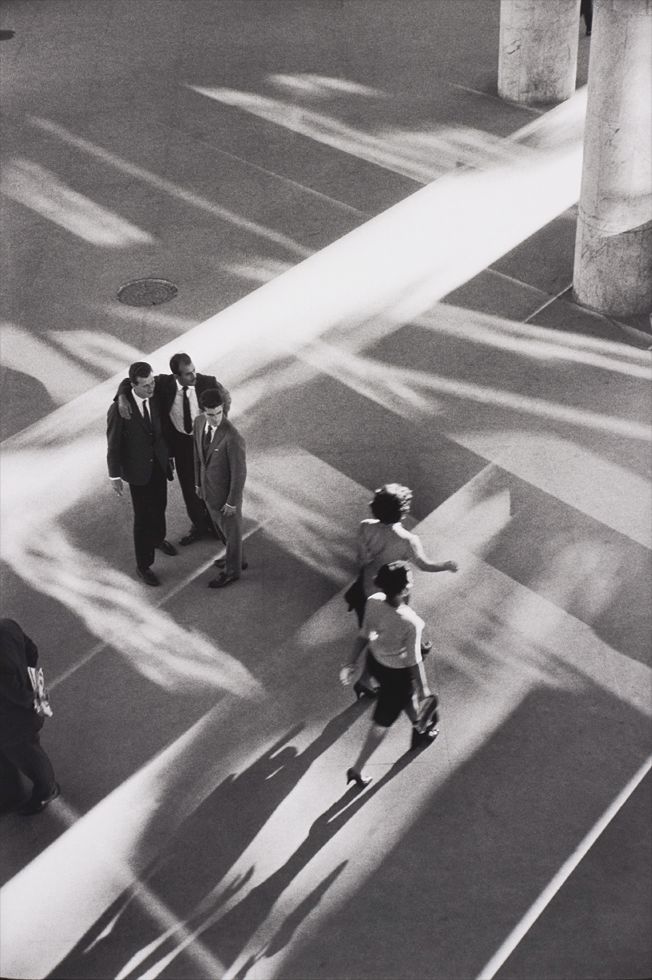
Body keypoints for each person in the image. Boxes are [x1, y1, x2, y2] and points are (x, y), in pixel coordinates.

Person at [347, 483, 457, 698]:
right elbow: (425, 565)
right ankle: (366, 677)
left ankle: (368, 676)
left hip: (369, 586)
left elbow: (361, 559)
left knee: (372, 629)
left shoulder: (365, 527)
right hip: (395, 588)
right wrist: (446, 565)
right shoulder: (408, 540)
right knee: (392, 626)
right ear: (403, 511)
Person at [340, 562, 440, 788]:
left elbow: (364, 636)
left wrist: (350, 662)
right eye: (410, 581)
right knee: (381, 724)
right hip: (397, 675)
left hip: (376, 663)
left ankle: (420, 728)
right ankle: (357, 769)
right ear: (404, 590)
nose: (412, 583)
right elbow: (414, 659)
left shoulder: (373, 602)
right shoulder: (410, 622)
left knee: (406, 697)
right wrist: (425, 689)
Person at [116, 353, 224, 545]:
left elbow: (225, 402)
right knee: (190, 490)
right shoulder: (163, 384)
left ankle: (219, 528)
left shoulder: (208, 382)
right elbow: (128, 381)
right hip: (182, 444)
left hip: (205, 442)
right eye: (188, 374)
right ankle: (200, 526)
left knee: (212, 486)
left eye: (194, 371)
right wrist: (122, 397)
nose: (194, 377)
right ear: (176, 376)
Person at [107, 361, 176, 586]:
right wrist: (114, 475)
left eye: (152, 382)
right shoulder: (120, 409)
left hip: (158, 464)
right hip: (138, 471)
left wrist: (169, 457)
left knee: (161, 505)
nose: (151, 388)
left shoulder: (155, 394)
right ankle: (143, 565)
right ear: (133, 386)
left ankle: (158, 539)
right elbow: (113, 444)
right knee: (143, 518)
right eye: (145, 385)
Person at [0, 619, 59, 815]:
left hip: (13, 723)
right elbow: (31, 650)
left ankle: (46, 790)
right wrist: (29, 681)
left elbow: (15, 694)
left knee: (29, 756)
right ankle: (10, 795)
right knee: (15, 754)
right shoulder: (8, 626)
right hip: (24, 712)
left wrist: (27, 695)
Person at [194, 387, 247, 588]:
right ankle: (238, 558)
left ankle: (232, 572)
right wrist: (198, 483)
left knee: (231, 532)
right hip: (209, 492)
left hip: (226, 498)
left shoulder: (233, 437)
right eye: (210, 414)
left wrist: (232, 502)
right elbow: (197, 457)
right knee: (225, 533)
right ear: (202, 411)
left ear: (223, 409)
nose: (215, 418)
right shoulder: (199, 423)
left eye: (218, 413)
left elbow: (239, 473)